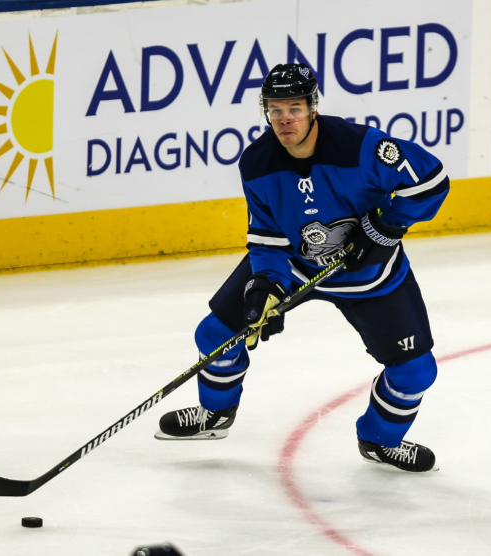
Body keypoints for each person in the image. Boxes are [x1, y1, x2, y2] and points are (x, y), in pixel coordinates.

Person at [154, 63, 449, 473]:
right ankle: (215, 415)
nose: (284, 119)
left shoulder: (360, 147)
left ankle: (380, 440)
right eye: (275, 110)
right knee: (215, 333)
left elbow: (431, 181)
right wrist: (265, 288)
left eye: (294, 107)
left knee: (416, 372)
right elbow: (268, 236)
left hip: (371, 274)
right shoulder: (257, 163)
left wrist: (385, 226)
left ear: (313, 107)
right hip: (294, 265)